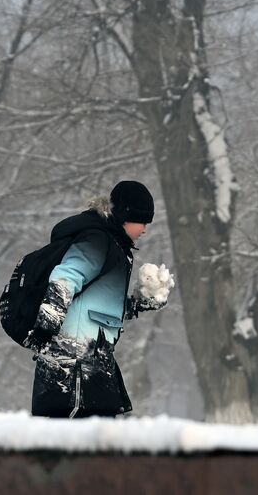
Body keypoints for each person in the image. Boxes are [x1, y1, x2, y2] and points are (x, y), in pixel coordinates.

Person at [28, 179, 167, 418]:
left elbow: (96, 308)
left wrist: (136, 304)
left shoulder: (115, 247)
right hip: (74, 365)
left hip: (92, 363)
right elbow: (65, 277)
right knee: (80, 442)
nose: (145, 229)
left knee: (96, 440)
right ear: (125, 215)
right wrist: (47, 323)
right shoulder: (98, 240)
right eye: (142, 221)